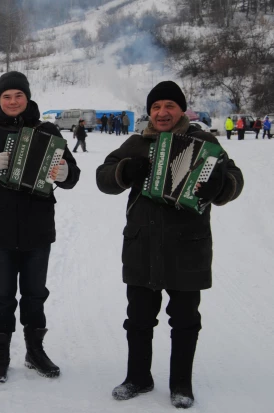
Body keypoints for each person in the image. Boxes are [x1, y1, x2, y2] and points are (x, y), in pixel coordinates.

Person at [96, 81, 243, 409]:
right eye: (156, 107)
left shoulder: (204, 142)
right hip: (142, 245)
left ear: (181, 110)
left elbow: (234, 178)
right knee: (138, 318)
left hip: (187, 247)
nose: (162, 113)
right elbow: (103, 176)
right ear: (149, 112)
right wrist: (123, 171)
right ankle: (138, 377)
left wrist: (221, 185)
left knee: (186, 319)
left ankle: (181, 384)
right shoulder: (136, 143)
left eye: (169, 106)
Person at [0, 71, 81, 384]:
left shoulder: (47, 130)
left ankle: (34, 350)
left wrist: (64, 171)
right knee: (2, 296)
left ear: (28, 97)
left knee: (35, 294)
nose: (12, 101)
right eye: (6, 96)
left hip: (38, 229)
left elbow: (73, 176)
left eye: (18, 95)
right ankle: (1, 353)